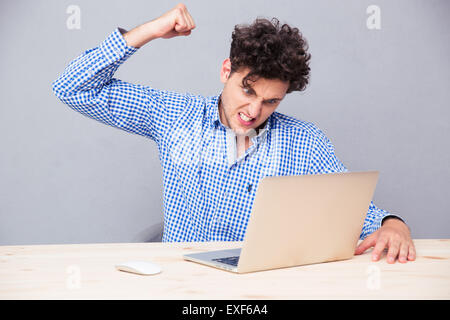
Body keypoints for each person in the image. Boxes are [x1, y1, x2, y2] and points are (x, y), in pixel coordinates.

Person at [52, 3, 415, 264]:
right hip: (182, 283)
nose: (254, 111)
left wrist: (393, 224)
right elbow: (72, 88)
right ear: (227, 71)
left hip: (264, 288)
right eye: (248, 91)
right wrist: (147, 32)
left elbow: (350, 208)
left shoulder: (304, 140)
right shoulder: (176, 117)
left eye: (271, 101)